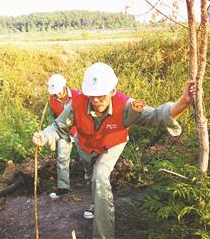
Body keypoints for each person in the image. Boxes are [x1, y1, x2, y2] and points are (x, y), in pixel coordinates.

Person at [33, 62, 195, 239]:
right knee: (91, 176)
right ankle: (97, 203)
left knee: (100, 176)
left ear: (112, 91)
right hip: (86, 145)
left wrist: (183, 103)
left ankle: (103, 235)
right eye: (92, 96)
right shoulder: (78, 103)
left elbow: (155, 116)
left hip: (112, 144)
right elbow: (58, 127)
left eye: (101, 96)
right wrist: (44, 136)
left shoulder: (126, 105)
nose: (95, 101)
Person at [47, 74, 81, 199]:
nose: (56, 95)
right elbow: (53, 119)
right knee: (62, 157)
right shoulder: (52, 100)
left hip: (80, 131)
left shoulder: (78, 96)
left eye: (58, 92)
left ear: (65, 87)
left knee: (87, 157)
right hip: (63, 131)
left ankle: (94, 185)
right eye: (54, 93)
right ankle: (63, 187)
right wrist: (54, 134)